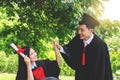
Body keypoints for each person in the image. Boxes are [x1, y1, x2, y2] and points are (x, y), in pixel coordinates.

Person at [52, 13, 113, 80]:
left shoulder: (100, 46)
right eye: (79, 29)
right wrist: (59, 47)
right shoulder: (78, 39)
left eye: (82, 30)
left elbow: (102, 71)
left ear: (91, 31)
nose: (79, 32)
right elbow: (69, 50)